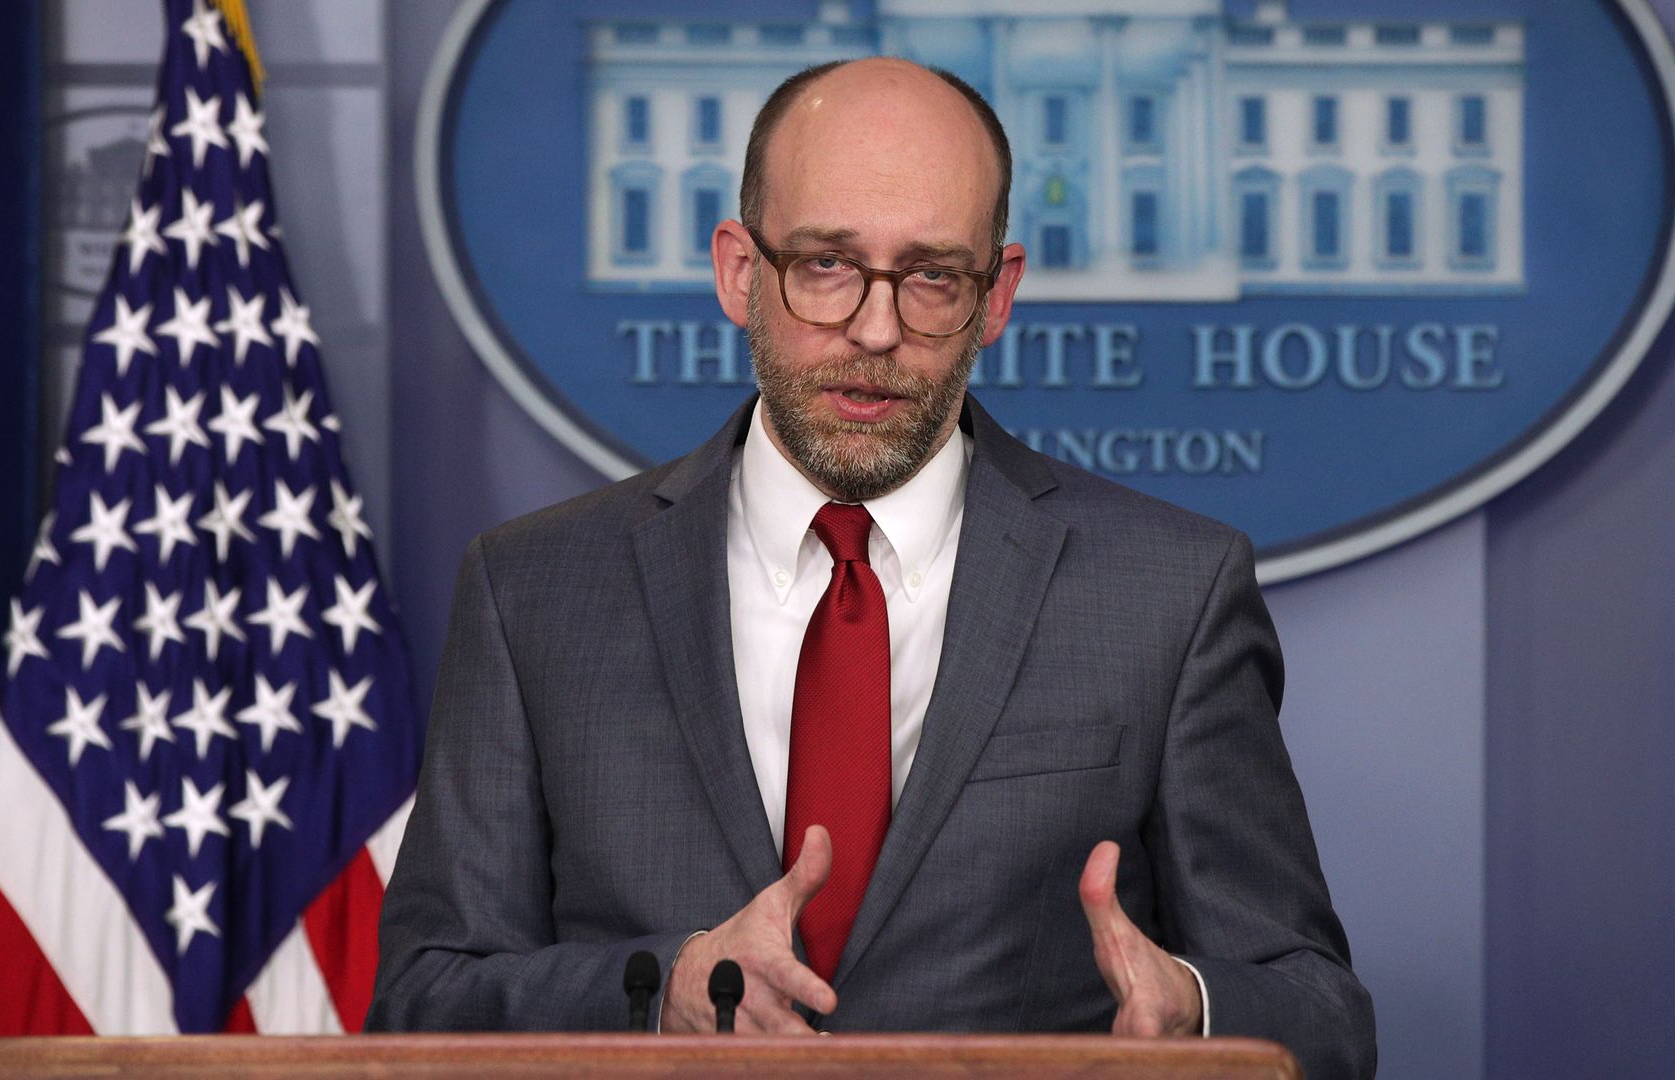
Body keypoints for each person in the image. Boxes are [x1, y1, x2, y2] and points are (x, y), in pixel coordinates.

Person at [367, 58, 1375, 1080]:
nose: (877, 328)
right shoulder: (532, 590)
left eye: (933, 276)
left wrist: (1196, 1012)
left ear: (997, 297)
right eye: (826, 264)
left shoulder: (1168, 593)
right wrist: (660, 993)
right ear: (739, 272)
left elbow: (1321, 1014)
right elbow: (420, 1002)